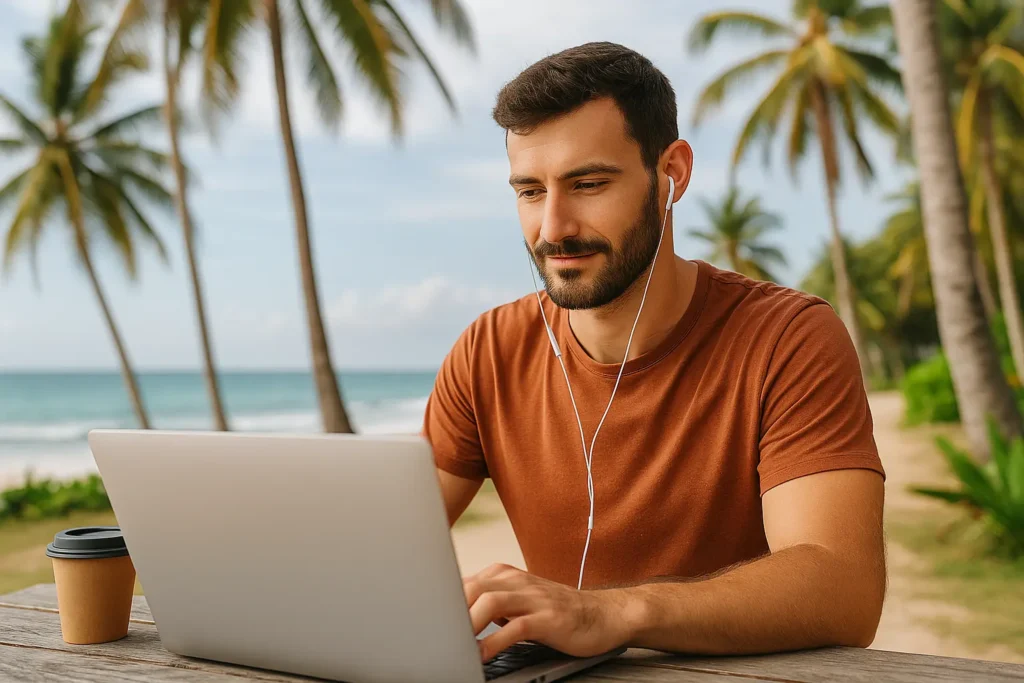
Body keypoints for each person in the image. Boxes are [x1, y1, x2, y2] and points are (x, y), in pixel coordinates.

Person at [422, 41, 886, 664]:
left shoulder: (788, 337)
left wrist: (608, 614)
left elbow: (844, 587)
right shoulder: (487, 352)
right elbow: (380, 545)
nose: (552, 227)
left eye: (587, 184)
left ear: (673, 173)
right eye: (530, 191)